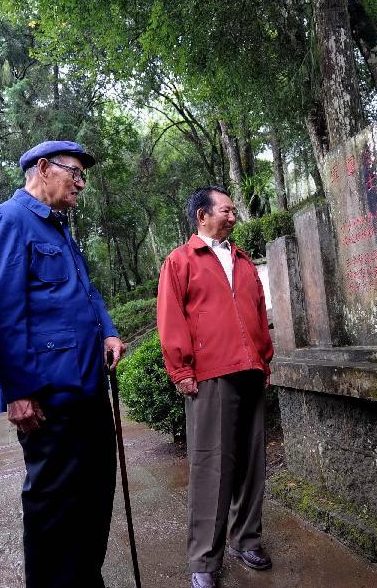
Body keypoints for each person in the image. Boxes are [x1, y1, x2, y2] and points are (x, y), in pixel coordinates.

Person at [0, 140, 126, 588]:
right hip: (48, 398)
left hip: (88, 389)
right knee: (54, 507)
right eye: (74, 173)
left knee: (95, 497)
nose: (81, 183)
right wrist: (17, 391)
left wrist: (109, 329)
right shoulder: (7, 222)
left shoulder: (59, 229)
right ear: (42, 167)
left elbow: (85, 291)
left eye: (83, 176)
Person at [156, 186, 275, 588]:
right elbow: (171, 319)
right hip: (209, 374)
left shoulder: (242, 261)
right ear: (202, 215)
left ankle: (247, 539)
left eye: (234, 210)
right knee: (212, 467)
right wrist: (181, 369)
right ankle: (205, 561)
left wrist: (265, 359)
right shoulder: (180, 261)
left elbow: (259, 312)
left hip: (251, 370)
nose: (233, 215)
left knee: (251, 463)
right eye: (225, 210)